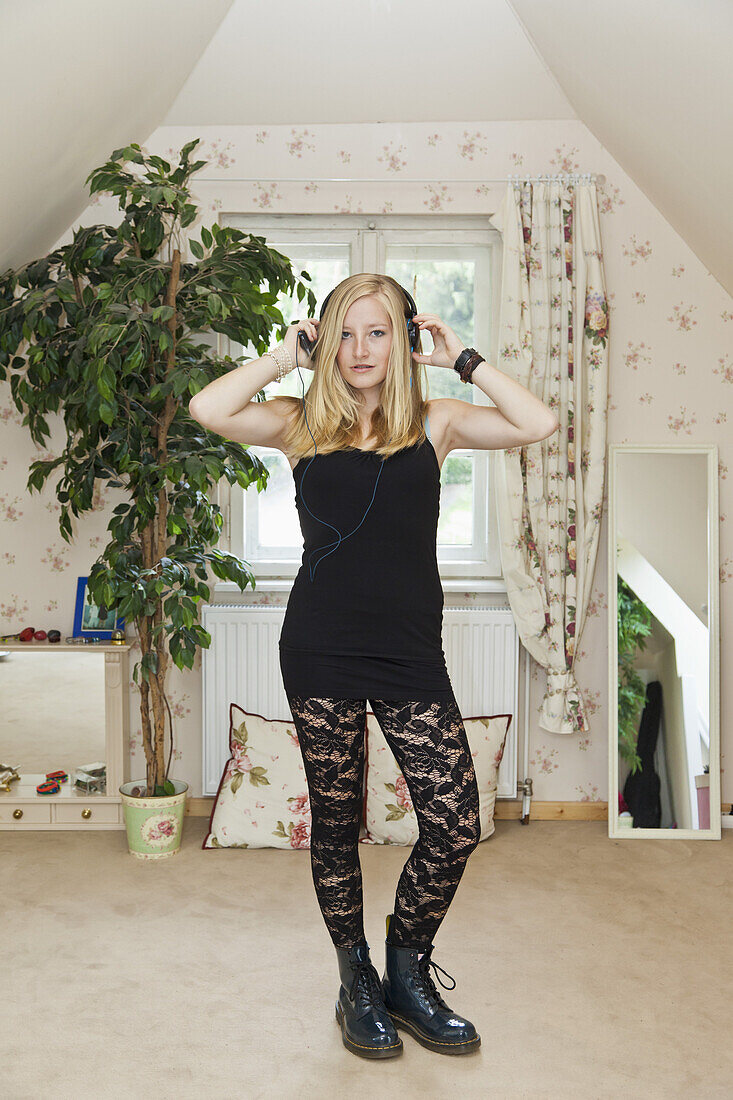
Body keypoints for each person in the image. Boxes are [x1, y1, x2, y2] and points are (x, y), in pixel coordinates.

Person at [188, 273, 559, 1060]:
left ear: (406, 340)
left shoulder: (437, 420)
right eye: (344, 333)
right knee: (335, 823)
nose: (360, 350)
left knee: (455, 820)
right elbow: (207, 409)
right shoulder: (299, 423)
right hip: (319, 641)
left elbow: (539, 421)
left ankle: (406, 968)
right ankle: (354, 976)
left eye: (378, 332)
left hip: (408, 648)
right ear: (324, 340)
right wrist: (282, 359)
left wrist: (466, 360)